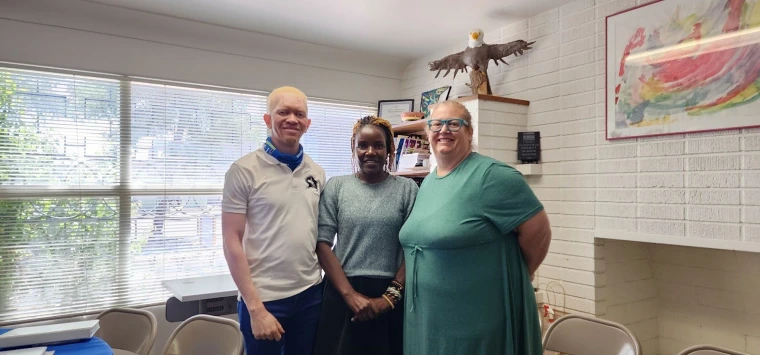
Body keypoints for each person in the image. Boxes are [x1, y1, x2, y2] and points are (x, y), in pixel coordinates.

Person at [398, 100, 551, 355]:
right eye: (436, 124)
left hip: (475, 321)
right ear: (427, 133)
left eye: (454, 124)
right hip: (428, 319)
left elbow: (539, 231)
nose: (444, 130)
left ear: (470, 133)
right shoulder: (428, 182)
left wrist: (519, 272)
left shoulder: (493, 176)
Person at [221, 86, 325, 355]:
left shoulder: (316, 172)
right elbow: (231, 240)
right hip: (264, 299)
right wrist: (255, 308)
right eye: (283, 112)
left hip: (311, 294)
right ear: (268, 119)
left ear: (307, 124)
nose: (292, 118)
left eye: (299, 113)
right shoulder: (243, 170)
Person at [313, 116, 418, 355]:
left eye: (378, 145)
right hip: (342, 291)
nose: (370, 152)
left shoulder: (407, 189)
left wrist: (390, 298)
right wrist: (350, 296)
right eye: (363, 145)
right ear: (354, 148)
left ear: (390, 149)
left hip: (391, 293)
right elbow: (322, 244)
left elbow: (414, 248)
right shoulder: (337, 187)